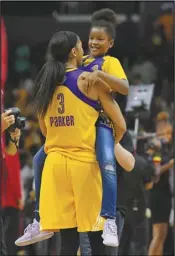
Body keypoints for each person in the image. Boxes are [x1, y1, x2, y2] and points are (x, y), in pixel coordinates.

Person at [15, 8, 129, 248]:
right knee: (96, 241)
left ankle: (38, 218)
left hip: (56, 164)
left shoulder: (47, 83)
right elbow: (121, 122)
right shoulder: (88, 77)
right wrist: (114, 139)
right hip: (83, 164)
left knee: (67, 241)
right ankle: (109, 219)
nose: (91, 44)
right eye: (87, 41)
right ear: (75, 51)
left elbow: (45, 131)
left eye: (99, 39)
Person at [148, 112, 174, 256]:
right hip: (157, 194)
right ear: (161, 128)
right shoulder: (155, 147)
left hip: (165, 193)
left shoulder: (165, 148)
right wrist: (170, 165)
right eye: (167, 132)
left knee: (162, 235)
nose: (169, 136)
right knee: (158, 235)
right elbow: (155, 174)